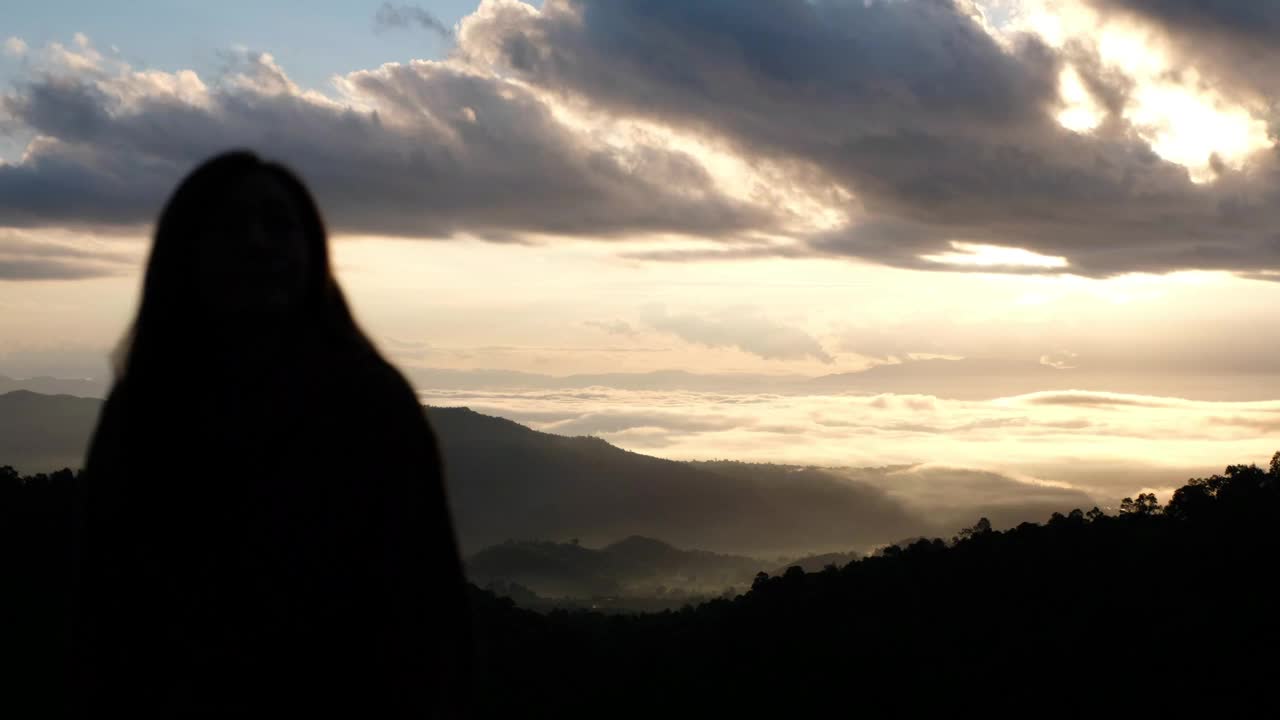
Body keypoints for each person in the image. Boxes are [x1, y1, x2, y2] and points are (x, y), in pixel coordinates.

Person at [69, 151, 470, 716]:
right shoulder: (146, 410)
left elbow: (425, 610)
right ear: (189, 253)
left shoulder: (371, 405)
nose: (258, 242)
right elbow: (105, 609)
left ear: (312, 252)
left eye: (279, 225)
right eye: (231, 226)